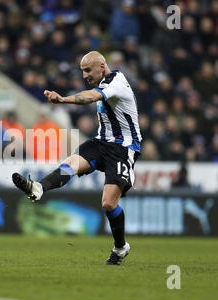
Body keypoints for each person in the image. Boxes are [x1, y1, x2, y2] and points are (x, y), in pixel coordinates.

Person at [12, 51, 142, 266]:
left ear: (102, 66)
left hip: (123, 147)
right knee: (72, 162)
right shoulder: (104, 83)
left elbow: (91, 96)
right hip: (102, 142)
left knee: (108, 204)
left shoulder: (116, 82)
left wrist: (63, 99)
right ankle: (38, 188)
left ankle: (120, 248)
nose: (84, 76)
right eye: (82, 71)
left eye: (88, 70)